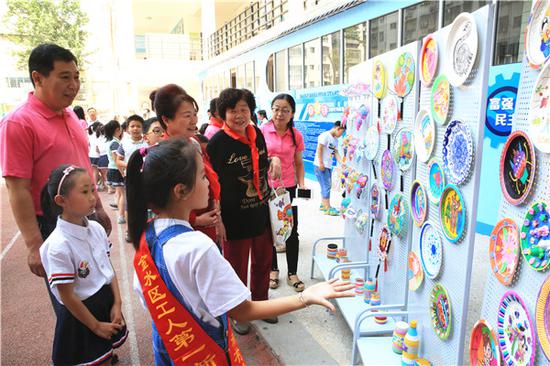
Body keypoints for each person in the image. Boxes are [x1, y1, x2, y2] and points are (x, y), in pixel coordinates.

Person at [127, 139, 353, 364]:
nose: (209, 183)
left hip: (169, 350)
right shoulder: (198, 247)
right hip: (203, 353)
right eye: (203, 176)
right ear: (181, 190)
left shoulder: (146, 236)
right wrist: (306, 298)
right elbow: (243, 311)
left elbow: (148, 299)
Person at [0, 43, 111, 284]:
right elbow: (16, 188)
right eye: (64, 77)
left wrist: (98, 207)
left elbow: (82, 164)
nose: (74, 85)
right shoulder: (18, 123)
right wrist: (33, 245)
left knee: (102, 284)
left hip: (86, 218)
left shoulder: (70, 115)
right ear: (37, 78)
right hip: (55, 224)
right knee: (74, 301)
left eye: (76, 77)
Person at [207, 88, 283, 331]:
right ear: (223, 113)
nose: (239, 115)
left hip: (260, 212)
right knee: (236, 268)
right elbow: (210, 182)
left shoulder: (256, 134)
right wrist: (218, 219)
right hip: (233, 217)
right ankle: (240, 312)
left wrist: (274, 160)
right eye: (233, 110)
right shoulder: (218, 142)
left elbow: (262, 161)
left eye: (244, 110)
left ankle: (261, 303)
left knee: (263, 261)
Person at [40, 164, 128, 365]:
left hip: (105, 302)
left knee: (105, 355)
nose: (93, 197)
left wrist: (117, 302)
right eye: (84, 192)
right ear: (61, 201)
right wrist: (96, 326)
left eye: (93, 190)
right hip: (82, 316)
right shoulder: (57, 246)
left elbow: (107, 267)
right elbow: (68, 296)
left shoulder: (96, 228)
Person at [153, 84, 224, 245]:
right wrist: (196, 220)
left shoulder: (194, 143)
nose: (194, 121)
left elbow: (210, 180)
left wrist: (217, 218)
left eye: (195, 114)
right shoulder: (165, 154)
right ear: (166, 119)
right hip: (185, 231)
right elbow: (160, 203)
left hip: (209, 223)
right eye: (187, 115)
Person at [260, 93, 306, 293]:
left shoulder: (296, 135)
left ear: (292, 113)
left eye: (285, 110)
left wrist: (302, 183)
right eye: (276, 108)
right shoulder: (261, 131)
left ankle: (292, 273)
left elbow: (298, 163)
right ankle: (273, 270)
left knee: (290, 229)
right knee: (270, 229)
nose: (280, 113)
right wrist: (272, 159)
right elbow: (258, 159)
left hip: (287, 189)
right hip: (266, 188)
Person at [115, 114, 148, 224]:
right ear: (127, 129)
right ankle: (130, 230)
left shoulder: (147, 142)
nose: (135, 128)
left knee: (145, 203)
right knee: (130, 204)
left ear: (142, 128)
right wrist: (129, 165)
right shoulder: (124, 143)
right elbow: (118, 161)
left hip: (146, 177)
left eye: (138, 126)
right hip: (131, 178)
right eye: (132, 126)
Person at [314, 121, 345, 215]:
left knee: (325, 185)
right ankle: (327, 208)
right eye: (342, 132)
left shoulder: (335, 140)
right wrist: (321, 163)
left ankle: (323, 205)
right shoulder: (325, 136)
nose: (341, 135)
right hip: (321, 165)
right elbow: (319, 149)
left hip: (328, 165)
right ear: (337, 128)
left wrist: (342, 163)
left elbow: (335, 153)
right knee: (326, 186)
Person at [104, 120, 125, 219]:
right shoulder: (115, 143)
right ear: (117, 129)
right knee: (122, 195)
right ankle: (121, 216)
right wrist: (123, 172)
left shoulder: (111, 141)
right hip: (116, 170)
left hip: (112, 169)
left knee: (118, 192)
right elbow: (116, 159)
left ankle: (119, 210)